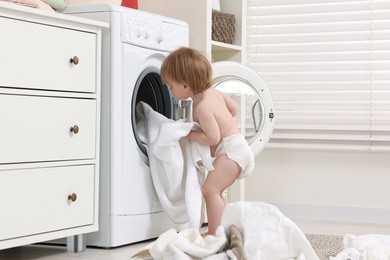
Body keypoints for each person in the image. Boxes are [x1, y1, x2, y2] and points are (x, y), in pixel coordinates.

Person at [160, 47, 254, 236]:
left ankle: (213, 232)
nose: (170, 90)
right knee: (215, 192)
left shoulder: (203, 106)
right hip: (237, 146)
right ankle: (224, 227)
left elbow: (213, 138)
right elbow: (233, 108)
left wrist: (189, 134)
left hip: (232, 151)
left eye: (171, 86)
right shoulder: (213, 92)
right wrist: (225, 124)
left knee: (210, 190)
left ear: (185, 86)